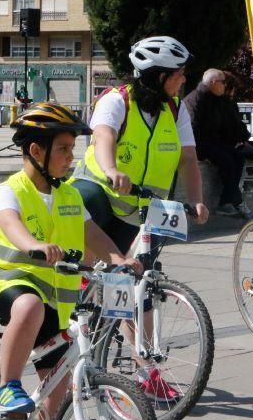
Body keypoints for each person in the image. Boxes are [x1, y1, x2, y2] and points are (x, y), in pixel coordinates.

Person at [0, 102, 141, 420]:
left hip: (57, 303)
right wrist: (34, 244)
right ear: (37, 151)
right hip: (10, 285)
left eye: (72, 149)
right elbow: (10, 224)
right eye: (64, 149)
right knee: (30, 303)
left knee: (56, 386)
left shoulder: (70, 196)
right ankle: (7, 388)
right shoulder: (9, 190)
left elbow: (92, 235)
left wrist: (119, 258)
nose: (72, 157)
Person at [69, 36, 209, 399]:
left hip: (145, 206)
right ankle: (77, 307)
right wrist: (112, 168)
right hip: (101, 194)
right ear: (157, 76)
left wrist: (196, 201)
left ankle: (146, 370)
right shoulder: (117, 101)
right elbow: (102, 137)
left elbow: (188, 159)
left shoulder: (176, 110)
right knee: (89, 239)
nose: (184, 81)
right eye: (178, 74)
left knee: (140, 282)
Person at [185, 68, 253, 219]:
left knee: (238, 156)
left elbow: (224, 125)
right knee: (227, 161)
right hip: (200, 145)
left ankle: (227, 200)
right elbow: (194, 129)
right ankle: (235, 200)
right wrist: (201, 154)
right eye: (223, 83)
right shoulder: (197, 99)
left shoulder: (215, 99)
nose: (225, 85)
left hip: (212, 141)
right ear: (213, 83)